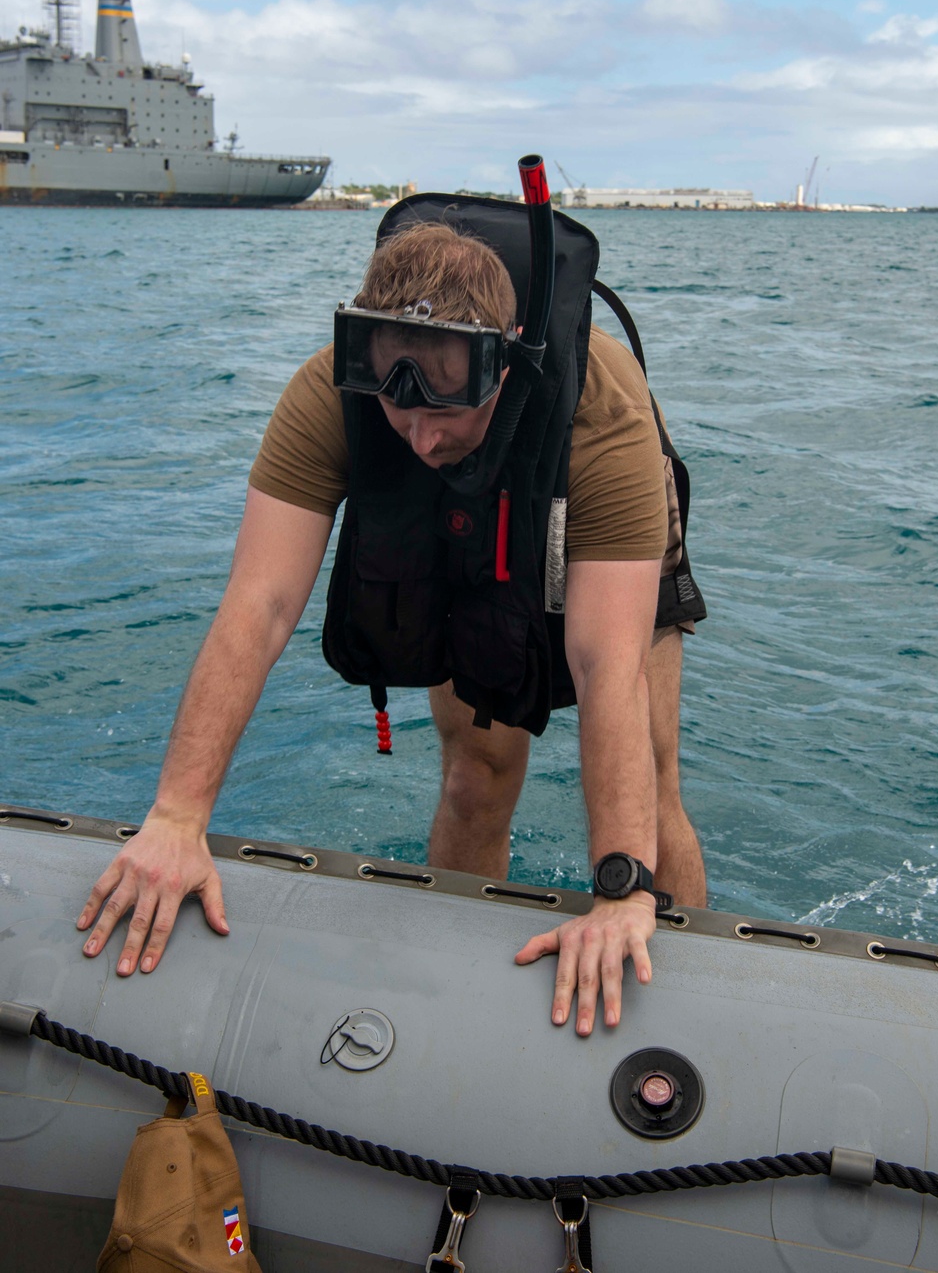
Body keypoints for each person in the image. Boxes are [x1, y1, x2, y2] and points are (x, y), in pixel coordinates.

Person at [77, 204, 707, 1037]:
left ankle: (685, 992)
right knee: (476, 770)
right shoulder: (333, 396)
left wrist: (621, 886)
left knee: (655, 779)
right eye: (396, 401)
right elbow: (257, 607)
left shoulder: (604, 419)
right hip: (460, 520)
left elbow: (604, 663)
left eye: (444, 404)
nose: (418, 434)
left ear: (504, 365)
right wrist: (177, 817)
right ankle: (451, 999)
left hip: (580, 502)